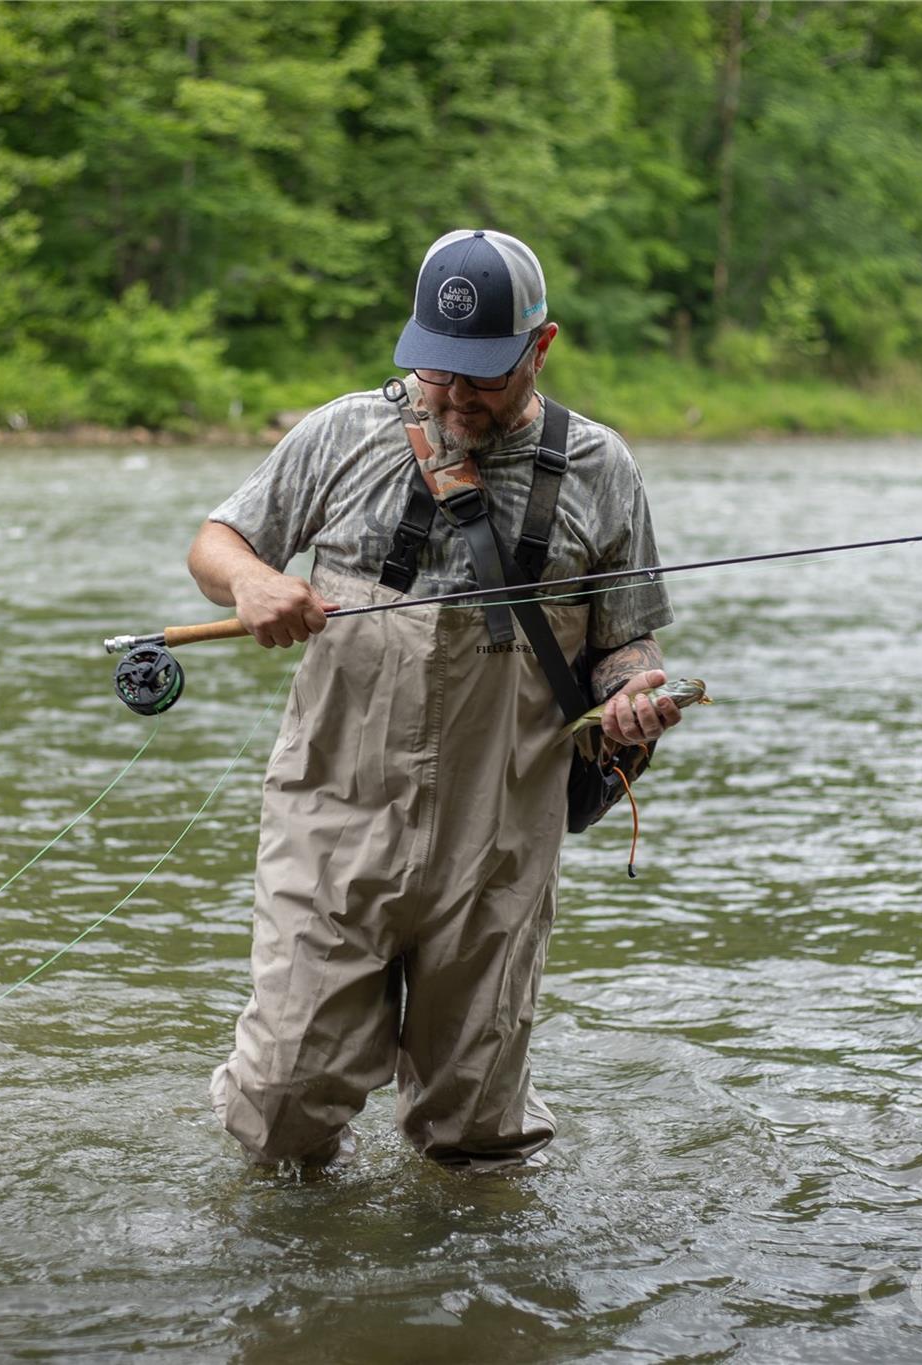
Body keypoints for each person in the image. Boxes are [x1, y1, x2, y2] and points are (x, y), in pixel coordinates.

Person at [190, 228, 683, 1171]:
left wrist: (632, 698)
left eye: (482, 376)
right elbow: (218, 542)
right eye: (435, 371)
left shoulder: (602, 469)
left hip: (498, 838)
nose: (454, 396)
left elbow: (627, 641)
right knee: (282, 1109)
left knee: (476, 1136)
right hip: (330, 817)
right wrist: (250, 582)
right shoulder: (339, 432)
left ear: (540, 348)